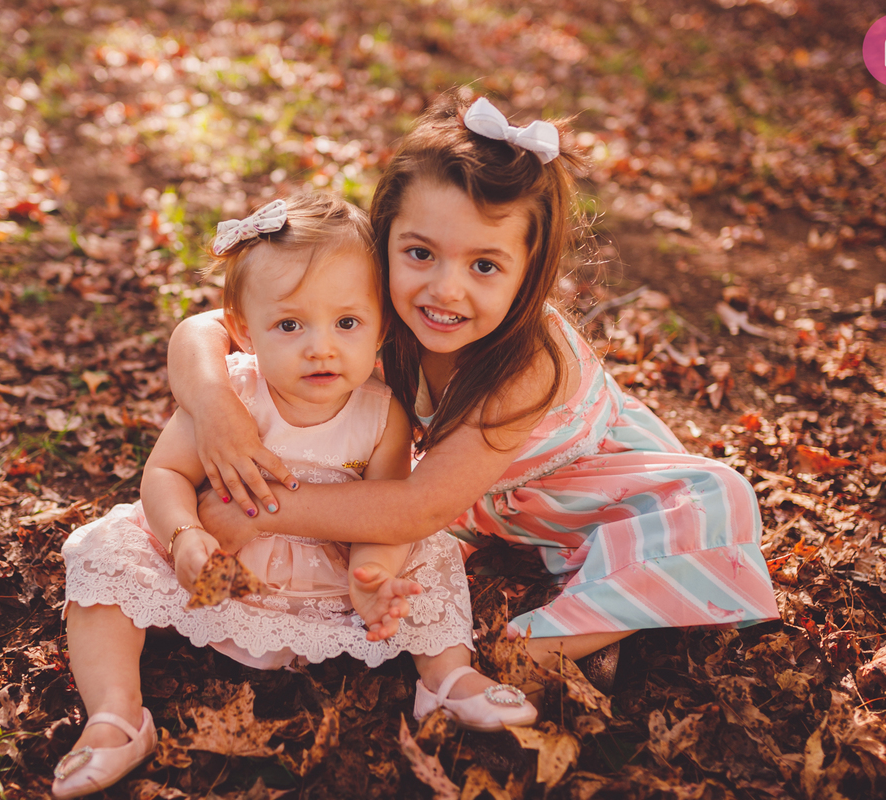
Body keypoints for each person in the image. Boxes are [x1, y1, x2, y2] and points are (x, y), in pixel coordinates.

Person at [167, 92, 781, 688]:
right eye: (420, 253)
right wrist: (214, 403)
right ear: (384, 240)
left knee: (711, 503)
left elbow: (423, 504)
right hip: (480, 499)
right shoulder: (370, 302)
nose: (445, 290)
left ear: (529, 269)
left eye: (484, 265)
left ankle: (547, 647)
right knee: (390, 557)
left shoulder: (528, 361)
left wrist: (264, 509)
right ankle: (598, 616)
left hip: (596, 490)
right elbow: (204, 329)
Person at [52, 194, 535, 799]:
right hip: (219, 561)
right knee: (104, 555)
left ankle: (448, 677)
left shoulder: (382, 414)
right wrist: (183, 536)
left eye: (347, 323)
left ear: (381, 326)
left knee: (431, 558)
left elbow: (383, 512)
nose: (321, 347)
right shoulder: (234, 393)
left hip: (328, 575)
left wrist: (371, 576)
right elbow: (165, 475)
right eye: (289, 325)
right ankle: (116, 715)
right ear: (243, 330)